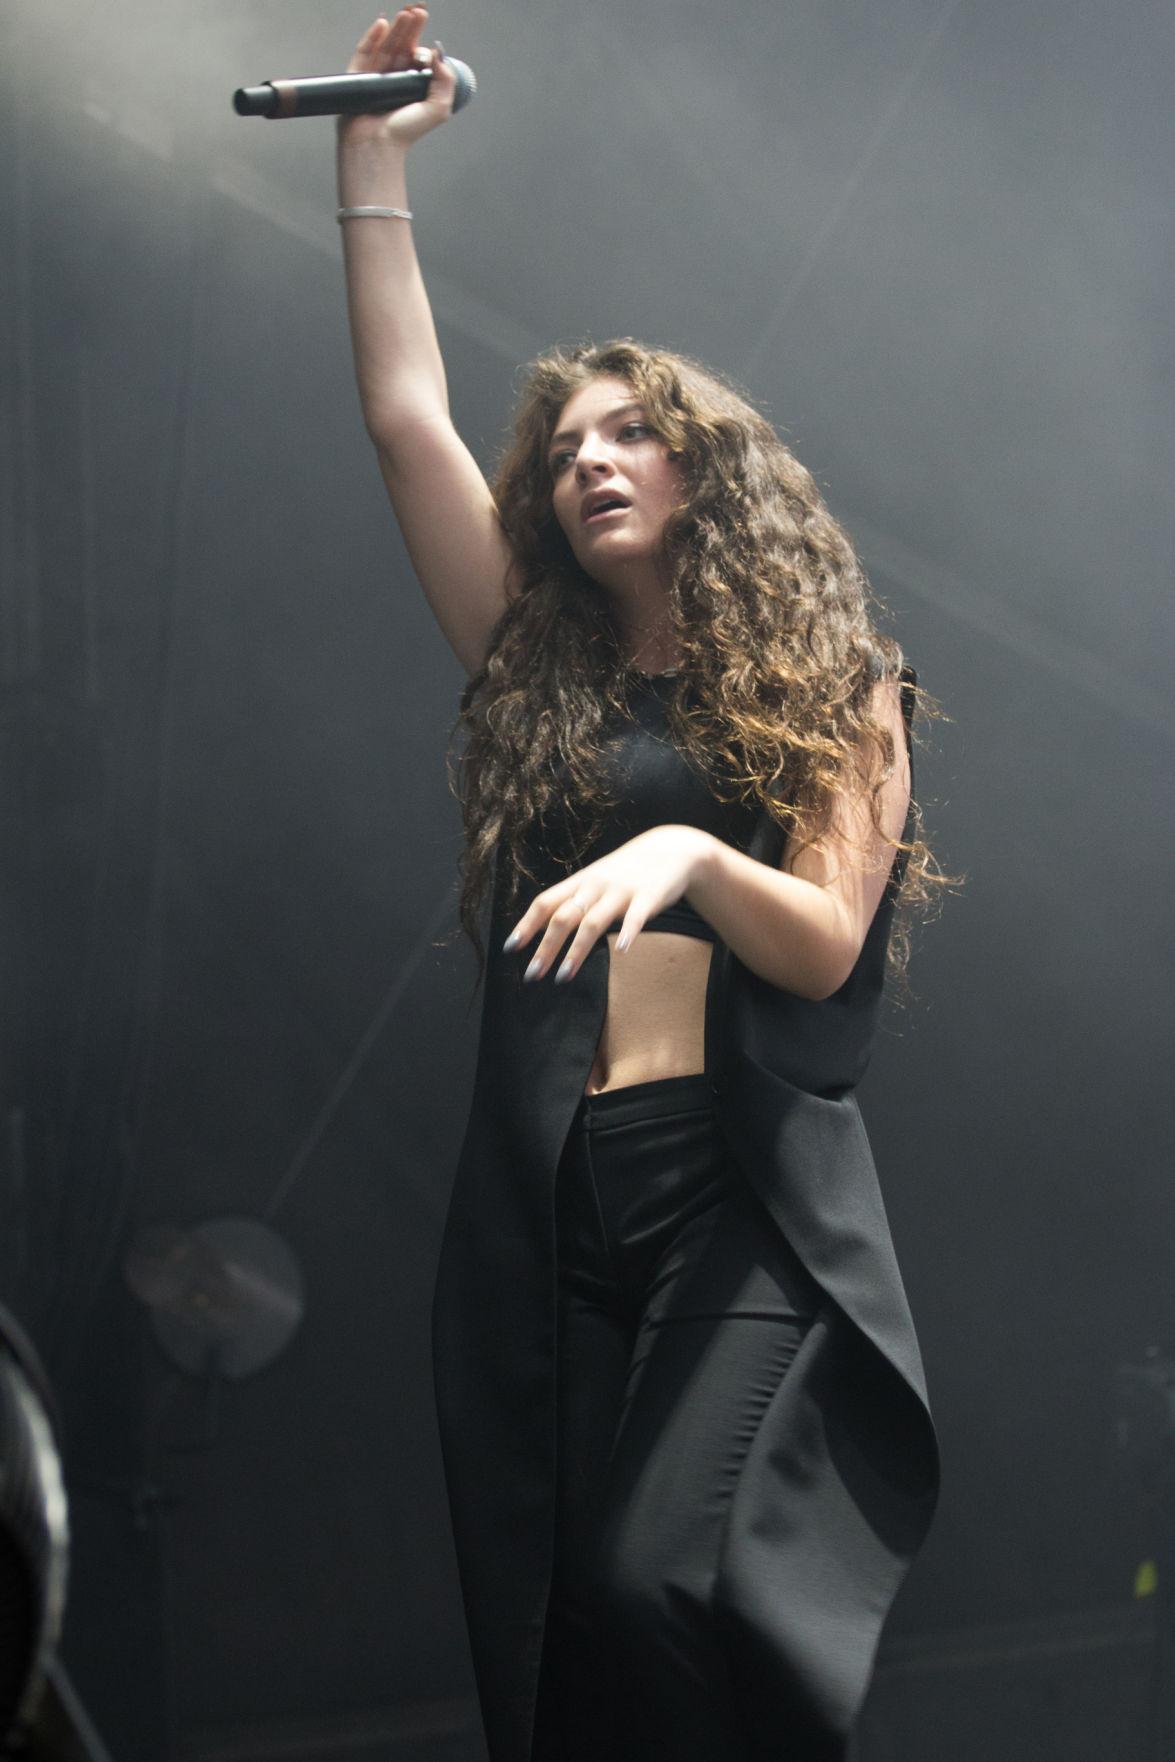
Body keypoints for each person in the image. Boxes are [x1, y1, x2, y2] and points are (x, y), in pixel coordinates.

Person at [335, 11, 943, 1760]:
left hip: (731, 1196)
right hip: (548, 1196)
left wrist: (682, 848)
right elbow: (401, 420)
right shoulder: (542, 673)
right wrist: (370, 166)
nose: (589, 458)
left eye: (630, 435)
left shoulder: (844, 685)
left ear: (706, 473)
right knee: (562, 1644)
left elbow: (826, 943)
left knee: (649, 1576)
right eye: (568, 446)